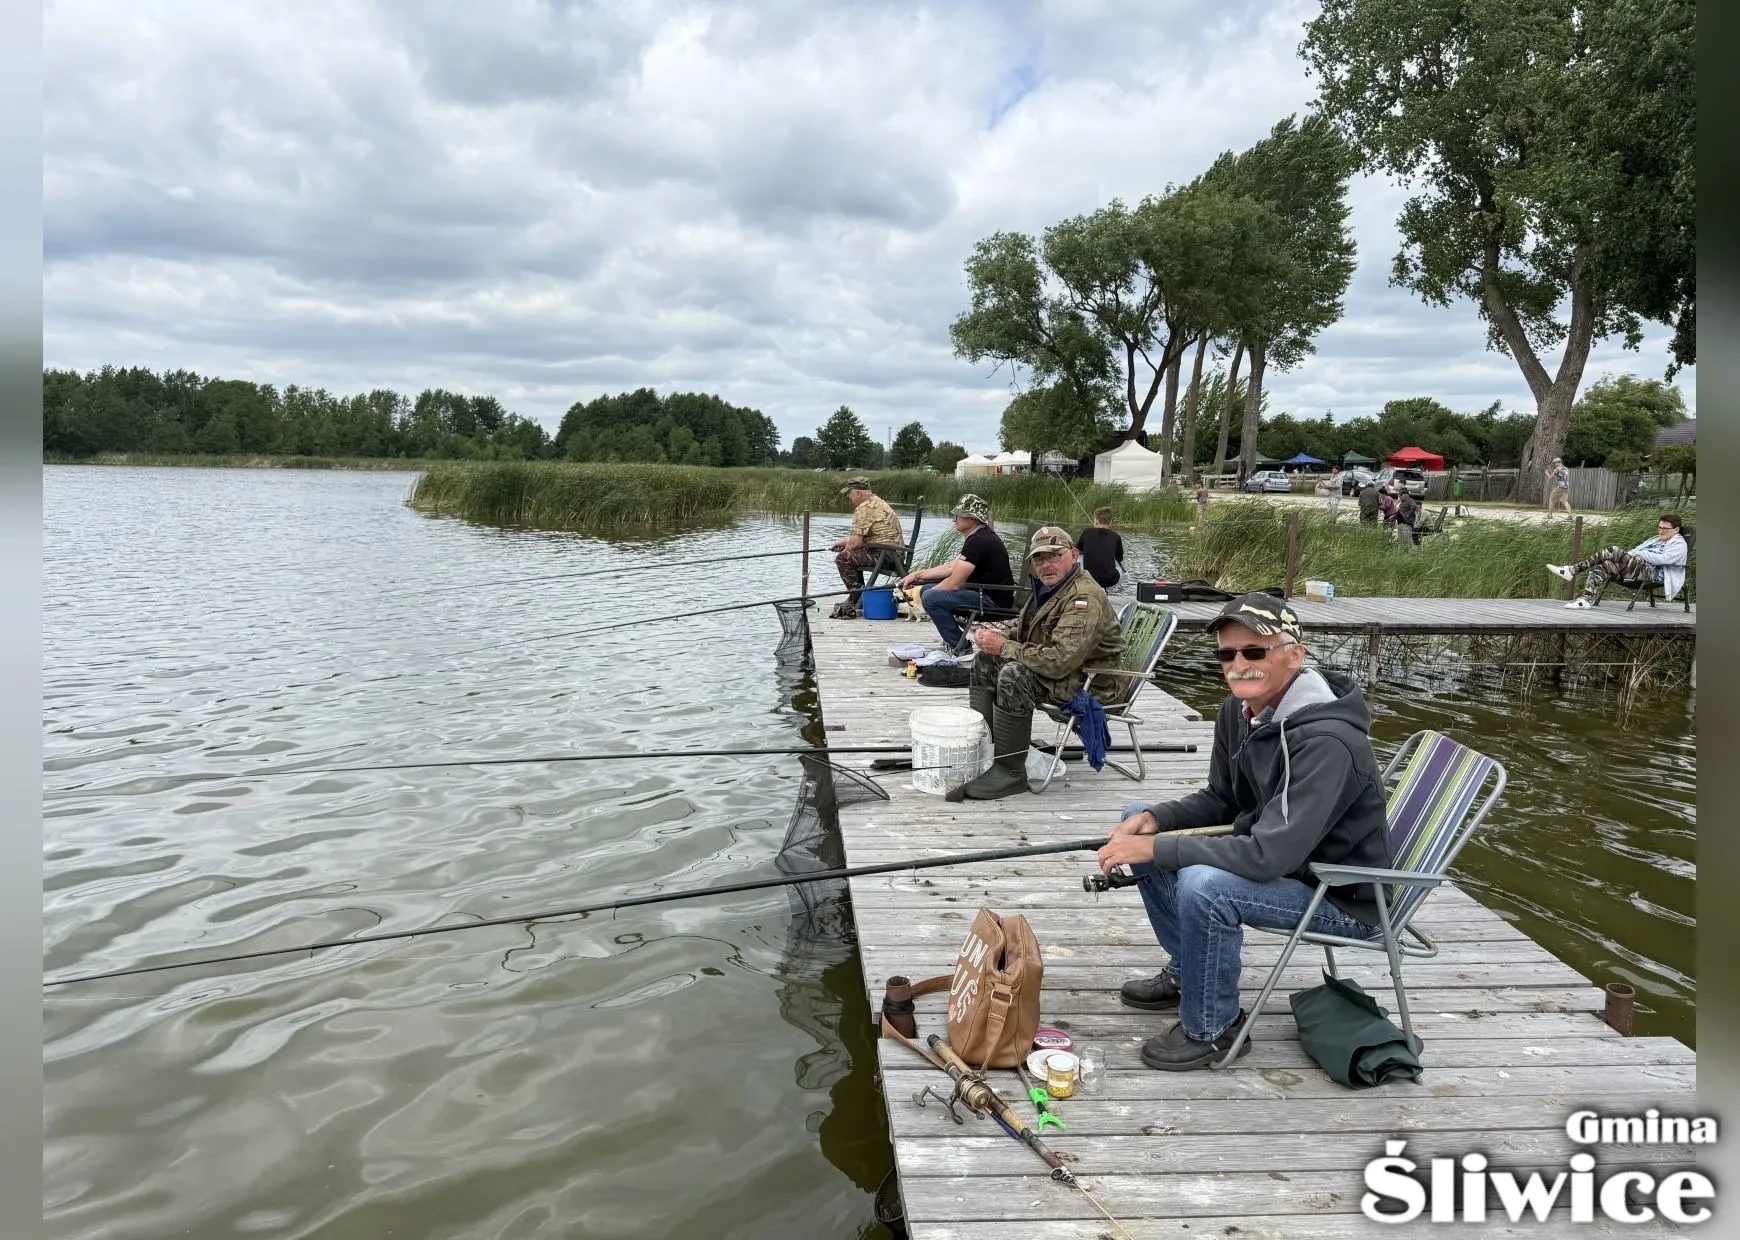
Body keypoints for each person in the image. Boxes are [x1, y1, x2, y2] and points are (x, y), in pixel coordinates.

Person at [1095, 594, 1391, 1070]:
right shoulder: (1240, 711)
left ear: (1294, 654)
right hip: (1293, 864)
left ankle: (1213, 1026)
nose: (1238, 665)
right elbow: (1223, 799)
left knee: (1205, 884)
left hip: (1339, 893)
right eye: (1226, 654)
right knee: (1142, 813)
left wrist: (1156, 847)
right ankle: (1191, 971)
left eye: (1255, 652)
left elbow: (1266, 857)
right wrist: (1157, 819)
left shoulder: (1329, 742)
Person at [947, 527, 1124, 802]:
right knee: (985, 660)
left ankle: (1010, 772)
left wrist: (1005, 647)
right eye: (1039, 559)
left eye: (1053, 556)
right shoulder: (1050, 588)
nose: (1045, 565)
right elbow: (1026, 633)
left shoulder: (1083, 598)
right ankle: (991, 749)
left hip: (1092, 683)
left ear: (1073, 555)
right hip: (1069, 673)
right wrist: (996, 639)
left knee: (1014, 673)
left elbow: (1061, 662)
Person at [898, 494, 1015, 652]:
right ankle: (956, 642)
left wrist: (926, 597)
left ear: (972, 519)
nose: (954, 519)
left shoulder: (978, 541)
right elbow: (950, 569)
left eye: (958, 515)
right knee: (927, 591)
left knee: (930, 597)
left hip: (992, 601)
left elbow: (954, 583)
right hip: (983, 593)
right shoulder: (979, 536)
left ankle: (960, 647)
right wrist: (916, 576)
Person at [1548, 513, 1689, 609]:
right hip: (1637, 568)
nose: (1661, 531)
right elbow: (1636, 549)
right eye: (1659, 528)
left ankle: (1572, 570)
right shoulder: (1656, 539)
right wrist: (1633, 555)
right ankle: (1585, 600)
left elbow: (1665, 559)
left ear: (1676, 529)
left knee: (1613, 550)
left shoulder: (1679, 544)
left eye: (1665, 529)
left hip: (1652, 574)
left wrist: (1642, 554)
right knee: (1606, 564)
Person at [829, 476, 906, 619]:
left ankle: (858, 599)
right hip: (893, 554)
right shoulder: (877, 502)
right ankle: (857, 598)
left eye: (849, 492)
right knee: (850, 555)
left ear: (858, 493)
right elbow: (861, 540)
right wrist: (845, 543)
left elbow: (856, 542)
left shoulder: (864, 508)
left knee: (843, 559)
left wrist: (846, 550)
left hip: (887, 556)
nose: (848, 496)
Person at [1076, 507, 1125, 591]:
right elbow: (1119, 558)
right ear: (1110, 522)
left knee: (1079, 556)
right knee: (1123, 570)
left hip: (1088, 579)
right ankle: (1107, 590)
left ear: (1096, 521)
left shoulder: (1087, 532)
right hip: (1109, 580)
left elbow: (1078, 549)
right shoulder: (1116, 537)